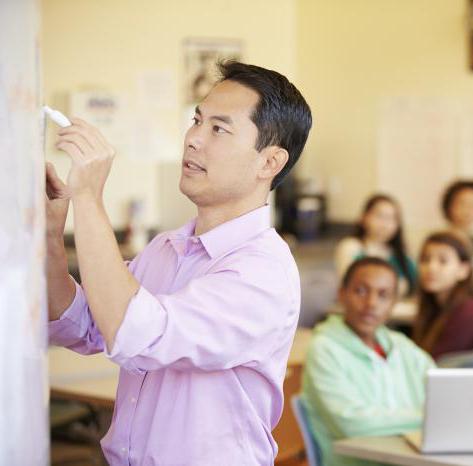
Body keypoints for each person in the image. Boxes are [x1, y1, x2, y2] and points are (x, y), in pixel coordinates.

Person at [45, 60, 312, 465]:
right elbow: (84, 324)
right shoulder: (166, 247)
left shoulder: (262, 271)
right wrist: (50, 239)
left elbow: (133, 331)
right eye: (196, 120)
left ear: (269, 163)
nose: (193, 139)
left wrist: (88, 198)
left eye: (219, 129)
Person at [302, 257, 435, 466]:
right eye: (361, 291)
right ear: (342, 294)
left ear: (393, 304)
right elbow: (352, 424)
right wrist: (428, 418)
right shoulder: (324, 349)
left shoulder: (402, 346)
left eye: (383, 295)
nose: (371, 303)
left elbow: (442, 396)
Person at [412, 232, 473, 362]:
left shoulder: (467, 312)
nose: (431, 268)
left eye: (443, 261)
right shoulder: (436, 306)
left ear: (463, 270)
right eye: (425, 259)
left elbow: (431, 365)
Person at [334, 194, 417, 296]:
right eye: (380, 216)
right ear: (364, 217)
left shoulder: (403, 254)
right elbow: (351, 286)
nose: (385, 224)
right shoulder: (351, 247)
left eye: (392, 218)